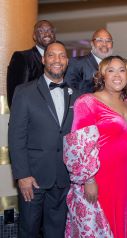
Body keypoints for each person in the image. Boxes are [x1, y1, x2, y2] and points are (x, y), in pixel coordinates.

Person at [8, 41, 80, 238]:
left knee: (56, 232)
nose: (57, 60)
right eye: (52, 55)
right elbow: (16, 136)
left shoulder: (78, 96)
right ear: (43, 59)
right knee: (28, 230)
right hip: (33, 178)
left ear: (67, 61)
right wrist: (22, 175)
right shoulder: (24, 92)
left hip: (63, 178)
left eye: (62, 56)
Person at [67, 55, 127, 237]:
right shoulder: (87, 102)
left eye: (122, 70)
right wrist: (88, 179)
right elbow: (78, 146)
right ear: (102, 76)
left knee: (122, 221)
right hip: (100, 178)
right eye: (110, 70)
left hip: (126, 179)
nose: (117, 75)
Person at [7, 20, 56, 108]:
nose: (47, 34)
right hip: (30, 116)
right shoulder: (22, 57)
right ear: (34, 36)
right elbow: (16, 93)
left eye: (50, 30)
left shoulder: (58, 61)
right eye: (41, 31)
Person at [65, 28, 113, 93]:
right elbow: (70, 90)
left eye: (108, 40)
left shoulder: (116, 66)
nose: (104, 44)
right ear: (92, 44)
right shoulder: (76, 63)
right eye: (100, 40)